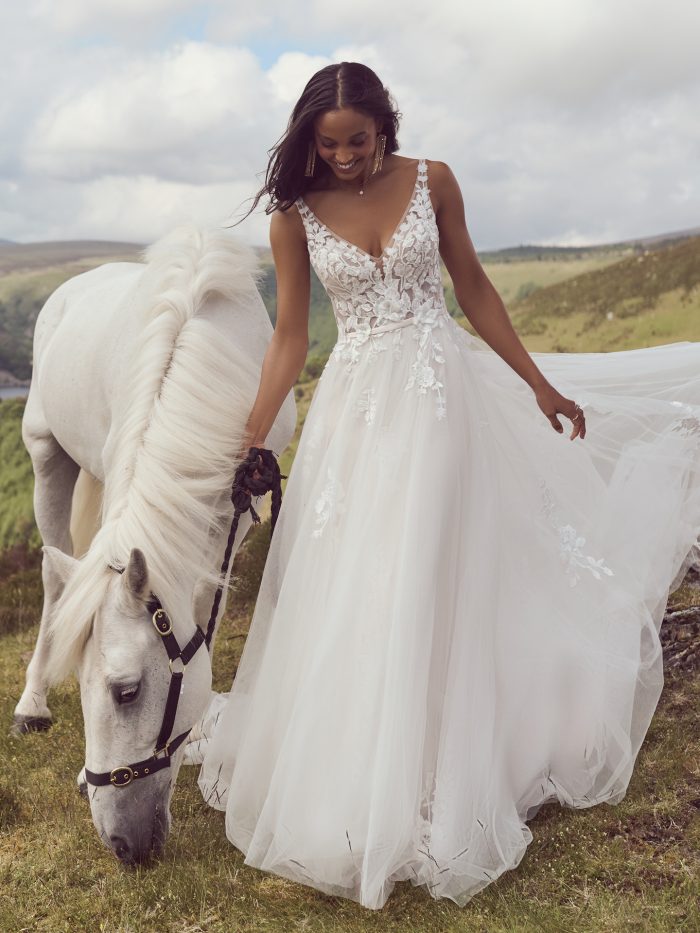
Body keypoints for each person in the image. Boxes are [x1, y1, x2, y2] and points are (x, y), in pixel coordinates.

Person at [194, 61, 700, 909]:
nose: (349, 157)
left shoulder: (435, 181)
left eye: (360, 140)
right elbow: (288, 339)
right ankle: (366, 779)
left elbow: (473, 287)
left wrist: (537, 381)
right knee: (369, 583)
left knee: (435, 567)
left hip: (441, 402)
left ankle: (445, 775)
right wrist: (249, 438)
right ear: (309, 140)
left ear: (385, 124)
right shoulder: (294, 217)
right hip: (356, 416)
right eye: (331, 144)